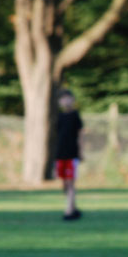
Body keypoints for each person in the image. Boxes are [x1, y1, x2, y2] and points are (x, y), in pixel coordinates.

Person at [55, 89, 84, 221]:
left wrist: (80, 151)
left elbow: (80, 136)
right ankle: (74, 208)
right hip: (60, 154)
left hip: (72, 154)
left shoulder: (75, 116)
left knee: (70, 182)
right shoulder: (59, 117)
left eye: (68, 98)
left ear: (72, 100)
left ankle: (68, 211)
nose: (65, 101)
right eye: (63, 98)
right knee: (64, 184)